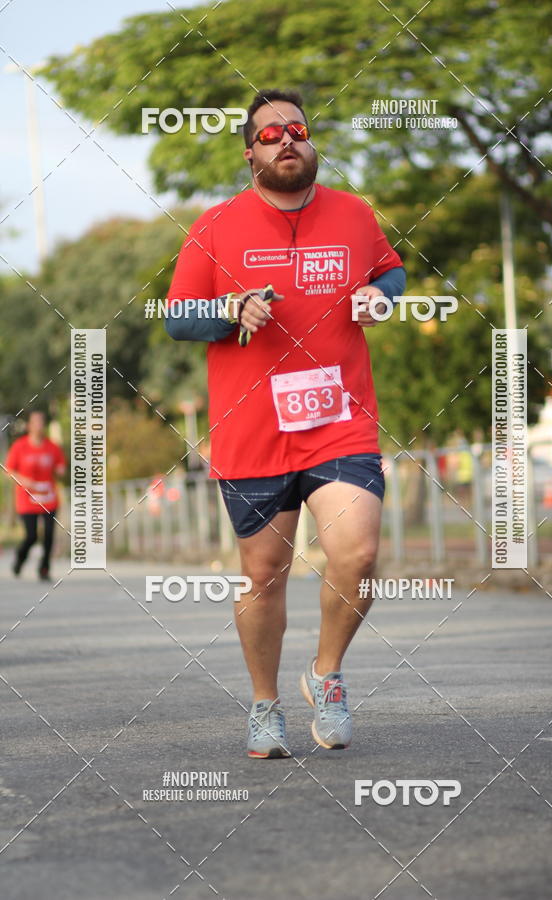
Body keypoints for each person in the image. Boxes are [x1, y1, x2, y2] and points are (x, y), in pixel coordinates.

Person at [165, 88, 407, 758]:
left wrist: (377, 296)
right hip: (252, 432)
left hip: (340, 422)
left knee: (357, 556)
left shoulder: (354, 215)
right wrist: (230, 310)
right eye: (271, 135)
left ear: (311, 141)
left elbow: (394, 275)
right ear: (251, 155)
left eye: (296, 129)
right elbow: (177, 316)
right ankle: (265, 704)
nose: (287, 140)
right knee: (265, 573)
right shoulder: (213, 227)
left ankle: (326, 675)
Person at [5, 411, 66, 581]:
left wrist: (61, 470)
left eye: (42, 422)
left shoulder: (52, 447)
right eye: (36, 423)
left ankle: (44, 568)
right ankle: (20, 559)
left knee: (48, 535)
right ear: (30, 426)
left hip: (48, 498)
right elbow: (9, 470)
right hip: (27, 499)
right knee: (31, 536)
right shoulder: (20, 446)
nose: (39, 426)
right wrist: (23, 480)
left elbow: (61, 466)